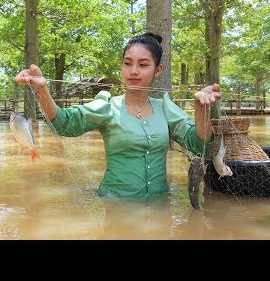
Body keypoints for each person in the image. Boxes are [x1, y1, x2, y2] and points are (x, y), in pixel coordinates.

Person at [14, 32, 221, 201]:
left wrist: (201, 108)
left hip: (159, 205)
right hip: (116, 204)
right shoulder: (107, 106)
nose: (133, 71)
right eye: (127, 63)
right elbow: (64, 123)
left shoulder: (165, 108)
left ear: (158, 70)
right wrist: (42, 89)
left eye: (143, 64)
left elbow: (200, 145)